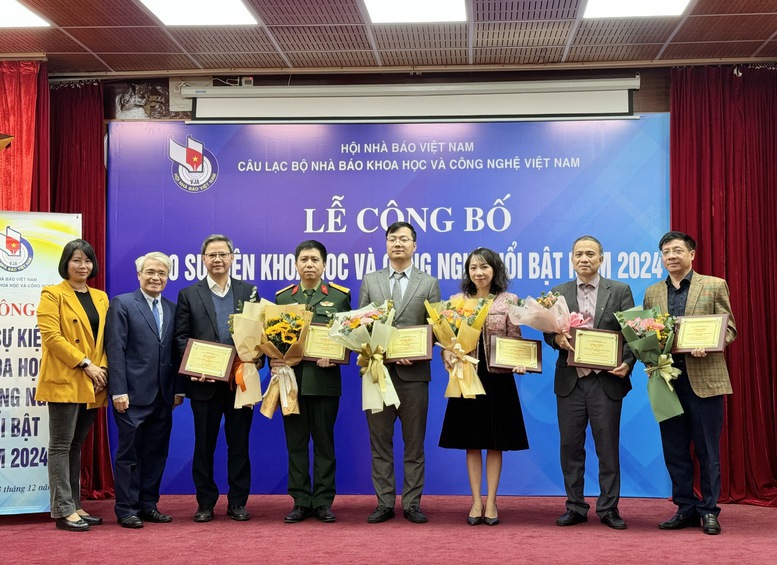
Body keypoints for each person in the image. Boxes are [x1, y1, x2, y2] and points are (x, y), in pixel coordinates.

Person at [643, 231, 736, 536]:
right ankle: (685, 507)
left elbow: (730, 328)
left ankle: (709, 510)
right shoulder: (652, 292)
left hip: (705, 379)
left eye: (678, 250)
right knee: (675, 449)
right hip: (667, 379)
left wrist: (709, 343)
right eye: (666, 251)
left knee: (708, 450)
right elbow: (647, 335)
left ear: (692, 254)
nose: (672, 256)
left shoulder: (713, 284)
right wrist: (648, 358)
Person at [543, 235, 635, 530]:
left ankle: (608, 508)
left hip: (605, 381)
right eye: (579, 254)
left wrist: (628, 363)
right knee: (570, 446)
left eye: (590, 254)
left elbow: (632, 333)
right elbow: (548, 332)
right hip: (570, 381)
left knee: (607, 448)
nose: (584, 259)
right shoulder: (559, 292)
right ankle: (575, 506)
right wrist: (556, 338)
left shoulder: (620, 290)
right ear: (572, 259)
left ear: (601, 259)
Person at [438, 248, 529, 526]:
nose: (479, 272)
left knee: (495, 443)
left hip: (499, 378)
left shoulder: (509, 300)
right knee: (472, 443)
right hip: (467, 376)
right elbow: (447, 339)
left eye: (484, 267)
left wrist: (521, 361)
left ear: (495, 270)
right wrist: (447, 354)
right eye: (473, 268)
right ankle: (476, 500)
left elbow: (516, 338)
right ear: (468, 272)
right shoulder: (456, 302)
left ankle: (492, 501)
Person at [358, 221, 441, 524]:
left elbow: (436, 327)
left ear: (414, 246)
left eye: (404, 239)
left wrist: (417, 351)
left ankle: (411, 503)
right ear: (386, 244)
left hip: (414, 376)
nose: (398, 244)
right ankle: (383, 502)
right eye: (392, 239)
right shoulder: (371, 280)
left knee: (414, 443)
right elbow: (360, 325)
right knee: (379, 442)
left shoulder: (428, 282)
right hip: (378, 372)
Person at [174, 234, 259, 523]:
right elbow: (181, 338)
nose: (218, 259)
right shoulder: (189, 294)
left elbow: (259, 336)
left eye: (223, 254)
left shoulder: (249, 292)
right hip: (203, 384)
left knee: (239, 445)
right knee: (204, 445)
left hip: (240, 383)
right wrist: (193, 365)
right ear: (203, 259)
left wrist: (256, 357)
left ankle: (237, 502)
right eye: (212, 255)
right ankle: (205, 503)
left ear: (233, 257)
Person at [274, 240, 351, 524]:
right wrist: (275, 357)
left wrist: (337, 355)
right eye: (304, 259)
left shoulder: (340, 297)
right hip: (291, 381)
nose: (309, 264)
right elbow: (273, 339)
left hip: (324, 380)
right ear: (295, 264)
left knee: (324, 442)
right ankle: (300, 500)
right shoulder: (282, 299)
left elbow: (349, 336)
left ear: (323, 264)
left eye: (314, 259)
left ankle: (322, 501)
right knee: (295, 443)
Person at [35, 239, 109, 532]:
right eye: (76, 260)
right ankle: (62, 509)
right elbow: (52, 337)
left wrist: (102, 366)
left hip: (95, 381)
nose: (82, 266)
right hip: (67, 377)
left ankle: (76, 503)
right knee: (61, 445)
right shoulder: (52, 294)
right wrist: (85, 364)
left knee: (77, 445)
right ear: (65, 263)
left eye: (87, 261)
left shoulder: (101, 297)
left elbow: (106, 337)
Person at [105, 252, 184, 528]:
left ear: (168, 277)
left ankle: (149, 504)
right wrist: (118, 390)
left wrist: (178, 389)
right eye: (150, 272)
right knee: (129, 454)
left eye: (162, 273)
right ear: (139, 275)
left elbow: (175, 353)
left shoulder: (173, 309)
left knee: (156, 452)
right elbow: (115, 349)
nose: (156, 277)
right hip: (131, 395)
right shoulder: (123, 304)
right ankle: (126, 507)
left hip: (163, 396)